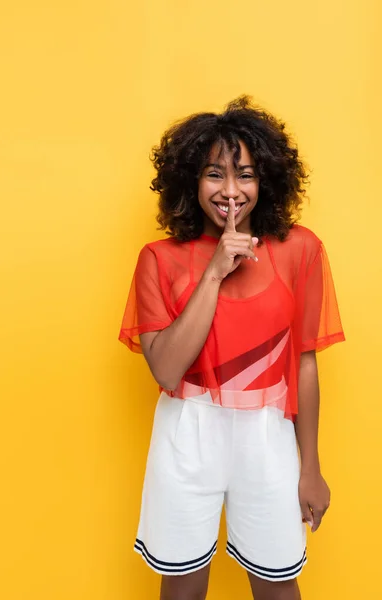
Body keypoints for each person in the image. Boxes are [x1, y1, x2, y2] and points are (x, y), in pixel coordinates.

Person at [119, 96, 345, 600]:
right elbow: (167, 370)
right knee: (181, 590)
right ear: (190, 181)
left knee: (278, 589)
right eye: (213, 174)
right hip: (187, 433)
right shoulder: (158, 259)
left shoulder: (300, 250)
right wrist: (216, 271)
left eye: (244, 174)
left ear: (265, 179)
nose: (230, 190)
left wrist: (310, 467)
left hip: (267, 435)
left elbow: (303, 364)